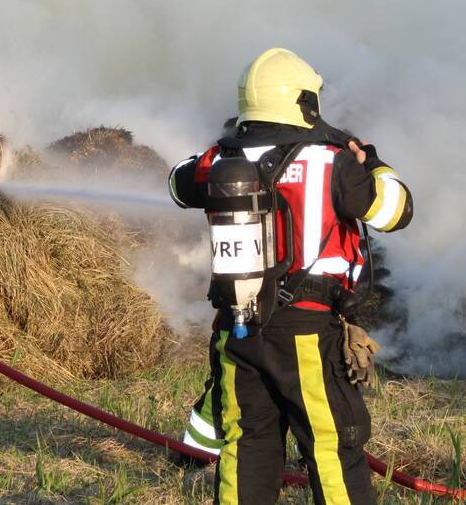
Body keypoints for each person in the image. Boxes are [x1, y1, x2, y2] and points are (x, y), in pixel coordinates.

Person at [168, 48, 412, 504]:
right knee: (332, 448)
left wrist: (217, 153)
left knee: (247, 446)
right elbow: (397, 211)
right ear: (305, 102)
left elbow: (178, 184)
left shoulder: (220, 160)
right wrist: (374, 163)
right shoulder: (334, 160)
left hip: (237, 330)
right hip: (307, 333)